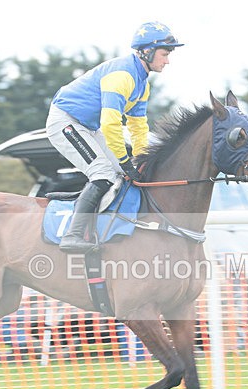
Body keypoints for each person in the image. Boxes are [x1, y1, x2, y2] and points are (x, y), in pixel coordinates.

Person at [45, 21, 184, 253]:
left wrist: (140, 161)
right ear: (147, 51)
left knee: (120, 175)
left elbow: (139, 127)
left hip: (86, 125)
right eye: (164, 53)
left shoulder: (142, 84)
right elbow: (110, 124)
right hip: (65, 121)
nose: (167, 60)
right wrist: (124, 159)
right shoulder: (122, 76)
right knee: (102, 173)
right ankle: (73, 235)